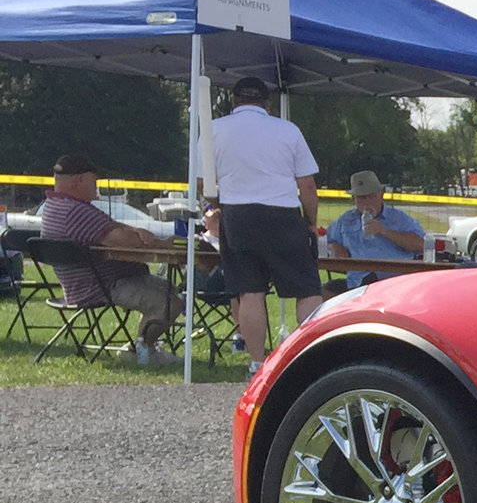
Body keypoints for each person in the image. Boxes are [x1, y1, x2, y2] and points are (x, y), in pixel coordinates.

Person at [210, 75, 323, 375]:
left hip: (237, 214)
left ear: (233, 103)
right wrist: (310, 222)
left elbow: (203, 183)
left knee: (249, 291)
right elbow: (308, 186)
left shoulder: (214, 129)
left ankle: (257, 363)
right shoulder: (288, 130)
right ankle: (313, 357)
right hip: (282, 214)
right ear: (267, 104)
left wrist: (222, 204)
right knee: (305, 287)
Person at [38, 154, 179, 362]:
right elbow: (123, 240)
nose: (96, 187)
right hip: (101, 287)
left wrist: (136, 230)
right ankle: (140, 351)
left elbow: (111, 226)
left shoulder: (56, 206)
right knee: (171, 301)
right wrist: (160, 242)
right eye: (94, 182)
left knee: (168, 290)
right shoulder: (75, 211)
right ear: (80, 181)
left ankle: (143, 346)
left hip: (85, 284)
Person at [325, 170, 426, 287]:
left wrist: (384, 231)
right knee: (323, 292)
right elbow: (323, 238)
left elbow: (422, 245)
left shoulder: (399, 218)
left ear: (381, 195)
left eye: (371, 196)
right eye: (362, 198)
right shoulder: (346, 220)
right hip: (357, 285)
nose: (367, 202)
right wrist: (333, 246)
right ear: (354, 199)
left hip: (393, 283)